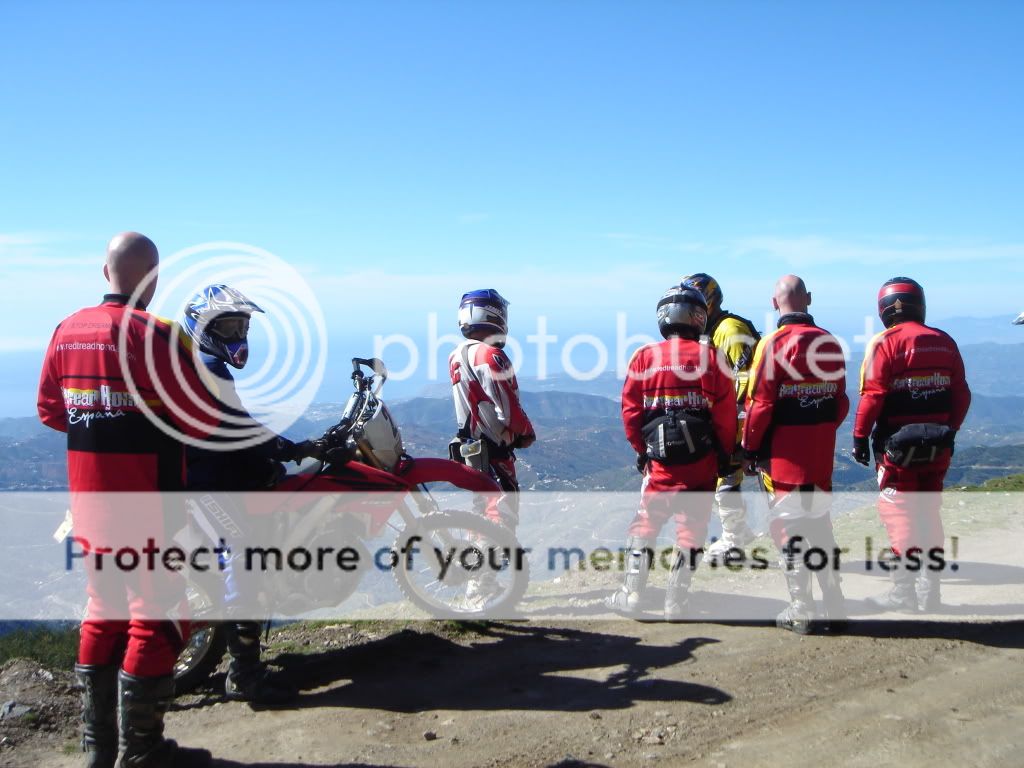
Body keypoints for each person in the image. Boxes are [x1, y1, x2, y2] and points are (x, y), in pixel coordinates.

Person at [37, 233, 216, 767]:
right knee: (155, 619)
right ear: (153, 278)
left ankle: (98, 751)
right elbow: (203, 419)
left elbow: (51, 410)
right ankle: (142, 751)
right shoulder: (158, 335)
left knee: (103, 613)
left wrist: (101, 423)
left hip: (89, 503)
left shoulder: (66, 329)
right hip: (149, 505)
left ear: (104, 272)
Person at [182, 284, 325, 705]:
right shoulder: (208, 367)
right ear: (203, 328)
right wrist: (291, 448)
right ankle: (243, 674)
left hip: (218, 471)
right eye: (227, 327)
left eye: (241, 326)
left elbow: (234, 429)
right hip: (206, 483)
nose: (237, 335)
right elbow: (240, 430)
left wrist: (274, 458)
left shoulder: (202, 364)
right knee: (243, 558)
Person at [607, 285, 737, 620]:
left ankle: (631, 595)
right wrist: (724, 455)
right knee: (691, 528)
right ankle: (676, 601)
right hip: (701, 462)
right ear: (698, 317)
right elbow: (725, 417)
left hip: (660, 463)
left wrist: (642, 451)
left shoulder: (645, 357)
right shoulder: (712, 358)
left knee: (645, 523)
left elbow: (630, 411)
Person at [853, 277, 971, 612]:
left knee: (898, 512)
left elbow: (873, 396)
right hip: (938, 446)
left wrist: (859, 437)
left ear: (884, 310)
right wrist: (950, 430)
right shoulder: (944, 341)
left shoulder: (884, 343)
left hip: (897, 448)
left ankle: (904, 592)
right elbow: (961, 394)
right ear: (920, 305)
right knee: (929, 511)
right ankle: (931, 592)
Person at [742, 276, 849, 634]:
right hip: (820, 454)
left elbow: (760, 404)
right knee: (820, 524)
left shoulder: (771, 345)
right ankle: (835, 606)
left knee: (788, 528)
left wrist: (750, 448)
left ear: (774, 303)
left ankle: (801, 608)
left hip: (783, 458)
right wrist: (820, 430)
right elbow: (840, 401)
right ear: (810, 299)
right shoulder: (830, 342)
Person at [680, 273, 760, 562]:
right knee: (720, 479)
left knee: (725, 479)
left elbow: (745, 380)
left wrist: (734, 427)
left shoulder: (729, 329)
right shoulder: (713, 330)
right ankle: (739, 532)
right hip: (729, 417)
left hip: (739, 418)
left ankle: (733, 540)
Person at [448, 289, 535, 528]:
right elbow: (507, 409)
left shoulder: (456, 355)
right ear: (493, 315)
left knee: (481, 512)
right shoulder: (491, 355)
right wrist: (526, 432)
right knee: (502, 518)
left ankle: (478, 548)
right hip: (494, 450)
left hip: (470, 450)